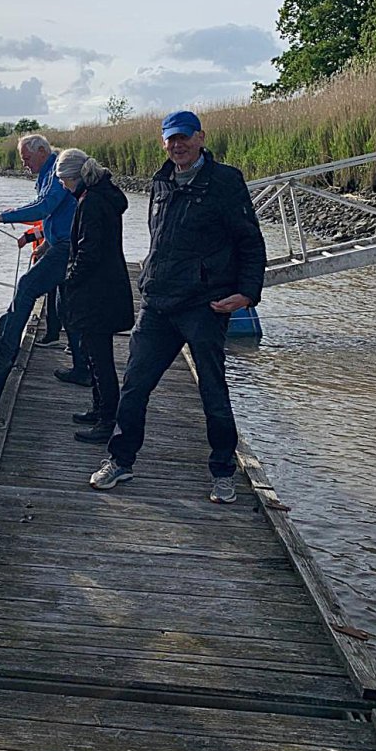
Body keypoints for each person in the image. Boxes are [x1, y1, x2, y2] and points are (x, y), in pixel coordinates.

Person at [90, 110, 266, 502]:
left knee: (213, 391)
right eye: (171, 139)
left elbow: (251, 242)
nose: (177, 145)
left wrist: (247, 293)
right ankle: (120, 461)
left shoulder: (225, 181)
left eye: (184, 137)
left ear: (201, 137)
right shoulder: (161, 180)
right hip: (157, 303)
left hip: (205, 305)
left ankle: (222, 471)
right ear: (163, 142)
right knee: (134, 385)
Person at [0, 134, 84, 406]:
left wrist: (1, 217)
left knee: (27, 287)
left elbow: (44, 207)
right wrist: (40, 240)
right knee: (65, 306)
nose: (24, 164)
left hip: (68, 246)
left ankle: (6, 349)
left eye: (27, 158)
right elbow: (54, 214)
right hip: (61, 243)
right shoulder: (46, 174)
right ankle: (82, 367)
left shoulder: (57, 172)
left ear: (42, 151)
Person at [55, 148, 135, 443]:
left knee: (100, 360)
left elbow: (89, 251)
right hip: (106, 288)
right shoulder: (104, 196)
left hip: (96, 293)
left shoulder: (91, 202)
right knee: (95, 354)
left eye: (64, 180)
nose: (63, 186)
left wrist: (70, 279)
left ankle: (106, 420)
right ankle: (99, 408)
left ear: (75, 177)